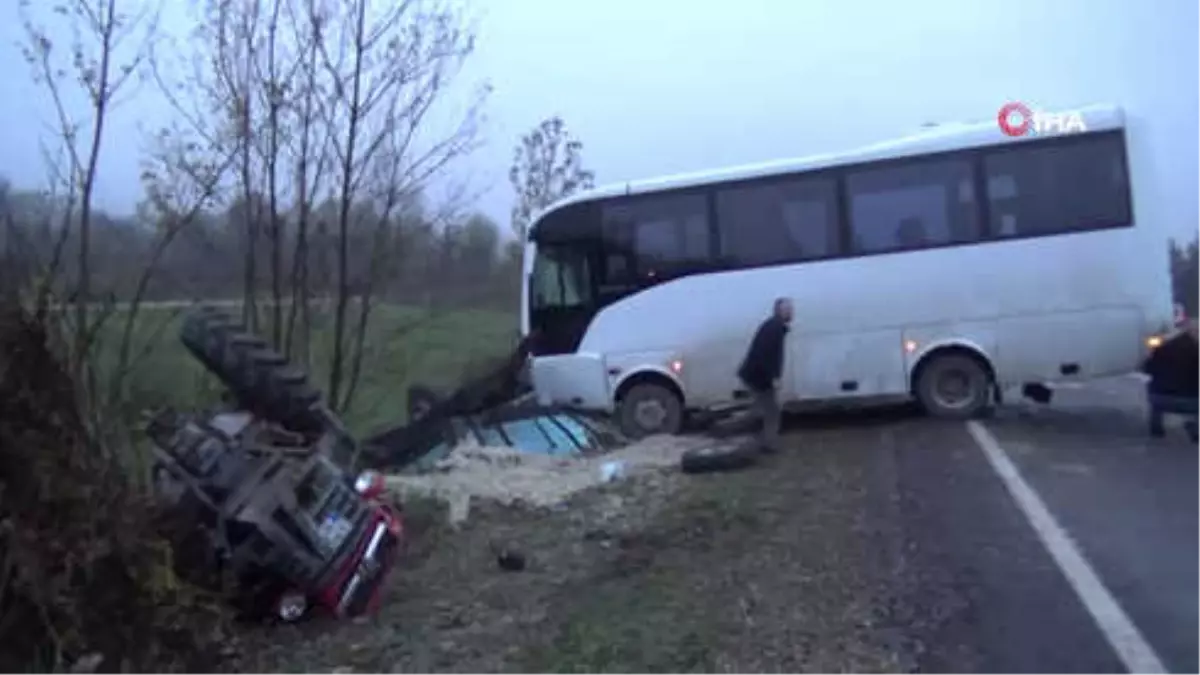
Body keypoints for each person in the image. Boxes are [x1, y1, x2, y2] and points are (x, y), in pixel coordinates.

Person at [737, 297, 793, 453]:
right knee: (772, 411)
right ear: (779, 311)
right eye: (788, 309)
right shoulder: (774, 329)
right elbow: (766, 356)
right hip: (758, 376)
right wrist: (773, 378)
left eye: (791, 309)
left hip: (755, 375)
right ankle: (768, 444)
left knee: (762, 409)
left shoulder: (774, 326)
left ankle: (758, 441)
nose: (791, 312)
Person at [1142, 316, 1200, 439]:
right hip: (1190, 402)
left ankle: (1156, 428)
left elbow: (1147, 369)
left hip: (1160, 399)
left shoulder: (1163, 347)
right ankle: (1195, 429)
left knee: (1155, 388)